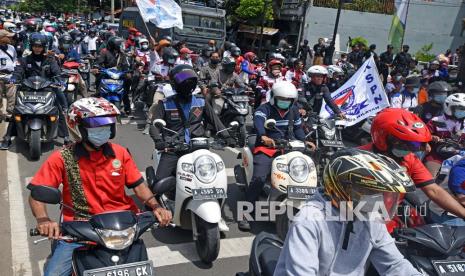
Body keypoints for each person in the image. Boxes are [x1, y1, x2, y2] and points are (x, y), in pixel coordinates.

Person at [28, 97, 172, 275]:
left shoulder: (120, 153)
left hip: (123, 228)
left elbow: (138, 185)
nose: (103, 130)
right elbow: (36, 193)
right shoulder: (62, 158)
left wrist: (156, 206)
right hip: (79, 229)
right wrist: (43, 220)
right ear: (77, 127)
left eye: (107, 125)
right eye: (96, 125)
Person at [275, 148, 422, 276]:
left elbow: (394, 265)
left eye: (381, 194)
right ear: (343, 188)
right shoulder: (310, 220)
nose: (377, 201)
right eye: (369, 192)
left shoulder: (370, 219)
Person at [148, 65, 232, 231]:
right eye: (184, 82)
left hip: (198, 146)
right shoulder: (165, 104)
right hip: (173, 147)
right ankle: (152, 213)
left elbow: (215, 121)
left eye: (190, 82)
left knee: (212, 175)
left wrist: (226, 136)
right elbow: (154, 126)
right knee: (158, 184)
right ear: (175, 85)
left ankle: (215, 209)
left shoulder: (201, 101)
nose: (188, 85)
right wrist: (159, 140)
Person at [360, 108, 465, 232]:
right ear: (387, 138)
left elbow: (434, 190)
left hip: (386, 222)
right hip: (356, 219)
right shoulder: (357, 159)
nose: (422, 149)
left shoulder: (409, 159)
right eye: (413, 144)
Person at [238, 81, 316, 231]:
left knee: (305, 170)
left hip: (288, 147)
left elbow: (298, 128)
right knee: (259, 177)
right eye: (282, 99)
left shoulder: (293, 110)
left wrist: (305, 141)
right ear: (273, 97)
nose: (285, 102)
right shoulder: (264, 108)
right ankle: (245, 214)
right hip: (268, 147)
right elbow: (259, 122)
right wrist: (264, 136)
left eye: (288, 100)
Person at [0, 32, 67, 149]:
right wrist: (14, 78)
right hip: (26, 90)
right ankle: (7, 138)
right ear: (31, 46)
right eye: (35, 46)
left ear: (44, 47)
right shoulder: (24, 60)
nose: (37, 48)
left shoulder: (50, 60)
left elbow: (56, 73)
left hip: (47, 90)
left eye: (40, 46)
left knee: (59, 110)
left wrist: (60, 80)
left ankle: (66, 137)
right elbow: (18, 71)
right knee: (16, 111)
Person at [425, 93, 465, 176]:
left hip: (459, 155)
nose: (463, 111)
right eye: (460, 109)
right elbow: (423, 136)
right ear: (449, 107)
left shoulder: (464, 123)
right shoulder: (436, 120)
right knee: (430, 177)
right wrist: (431, 137)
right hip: (437, 156)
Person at [0, 30, 17, 123]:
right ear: (1, 38)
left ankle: (10, 114)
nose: (10, 38)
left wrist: (14, 71)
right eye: (8, 36)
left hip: (10, 75)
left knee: (11, 96)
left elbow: (14, 60)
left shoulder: (11, 48)